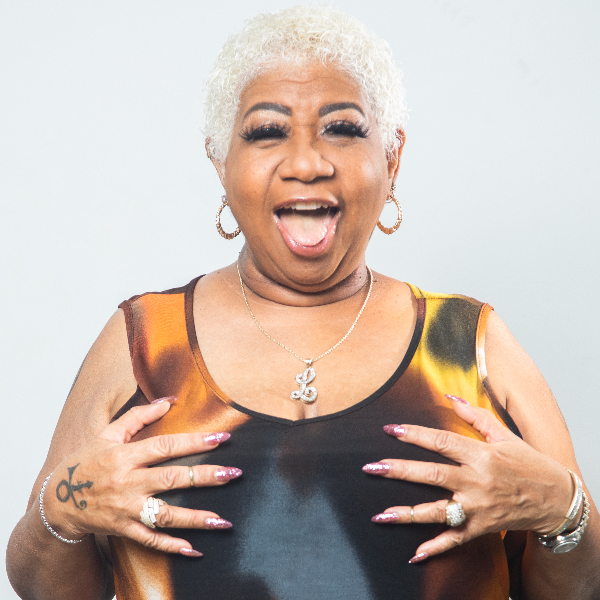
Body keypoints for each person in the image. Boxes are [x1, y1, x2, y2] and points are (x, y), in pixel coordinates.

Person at [6, 5, 600, 599]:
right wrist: (66, 506)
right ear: (220, 162)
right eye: (267, 132)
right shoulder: (142, 343)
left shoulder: (468, 343)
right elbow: (45, 588)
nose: (307, 164)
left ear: (392, 157)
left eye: (342, 129)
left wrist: (562, 508)